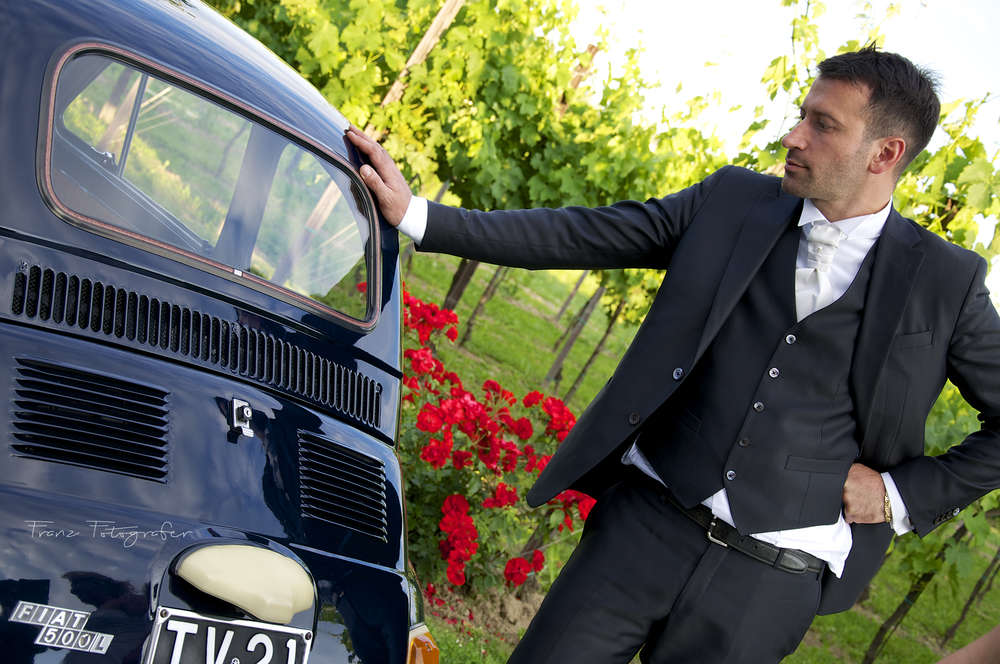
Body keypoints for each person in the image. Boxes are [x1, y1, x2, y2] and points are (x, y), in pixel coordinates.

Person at [347, 45, 1000, 663]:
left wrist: (897, 494)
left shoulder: (947, 282)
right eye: (802, 115)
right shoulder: (732, 202)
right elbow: (588, 232)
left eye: (822, 125)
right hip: (643, 526)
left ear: (885, 152)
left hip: (769, 584)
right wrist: (419, 215)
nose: (793, 136)